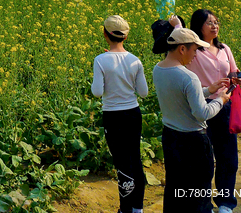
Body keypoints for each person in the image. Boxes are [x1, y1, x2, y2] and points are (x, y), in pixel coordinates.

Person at [153, 28, 231, 213]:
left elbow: (180, 95)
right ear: (182, 49)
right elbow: (202, 113)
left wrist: (207, 90)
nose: (195, 55)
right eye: (194, 50)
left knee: (175, 189)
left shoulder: (158, 69)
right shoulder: (189, 77)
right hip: (193, 143)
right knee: (199, 194)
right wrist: (221, 100)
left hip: (171, 137)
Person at [186, 9, 241, 213]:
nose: (215, 26)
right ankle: (204, 205)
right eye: (209, 23)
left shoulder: (224, 48)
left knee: (228, 158)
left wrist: (237, 79)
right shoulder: (193, 51)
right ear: (198, 27)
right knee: (204, 161)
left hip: (226, 105)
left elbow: (234, 71)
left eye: (216, 22)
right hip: (203, 106)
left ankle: (226, 203)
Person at [91, 15, 148, 213]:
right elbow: (143, 92)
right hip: (133, 113)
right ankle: (138, 208)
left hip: (113, 116)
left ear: (105, 34)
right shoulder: (135, 60)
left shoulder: (100, 60)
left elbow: (97, 92)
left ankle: (125, 209)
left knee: (122, 163)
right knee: (134, 158)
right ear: (125, 37)